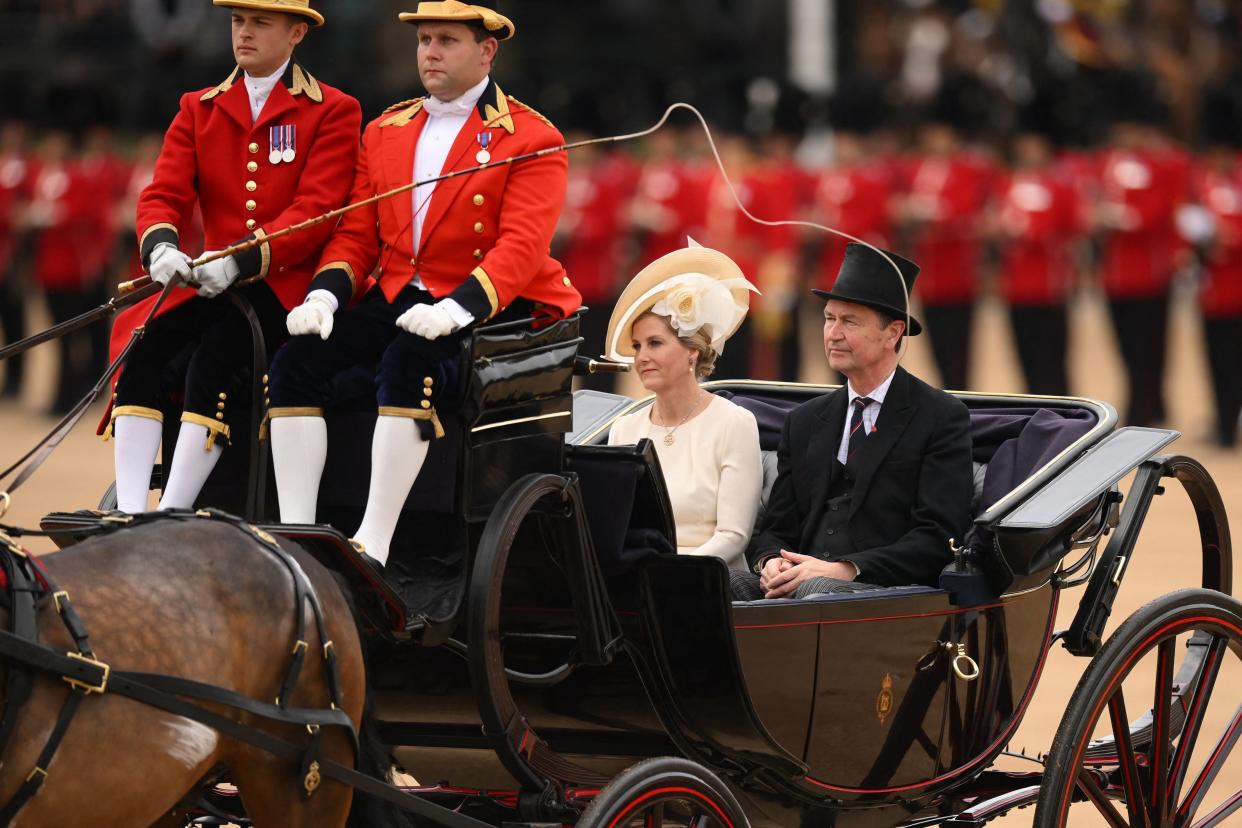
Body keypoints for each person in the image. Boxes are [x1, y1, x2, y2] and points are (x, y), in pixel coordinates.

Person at [266, 1, 581, 573]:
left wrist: (457, 309)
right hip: (398, 293)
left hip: (490, 302)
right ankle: (297, 535)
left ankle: (374, 542)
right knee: (295, 362)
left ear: (487, 52)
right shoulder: (386, 129)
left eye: (446, 41)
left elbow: (521, 247)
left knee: (410, 363)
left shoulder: (532, 136)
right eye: (424, 40)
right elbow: (357, 234)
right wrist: (325, 294)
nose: (430, 52)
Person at [100, 0, 361, 514]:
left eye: (260, 23)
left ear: (297, 34)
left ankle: (171, 512)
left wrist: (240, 260)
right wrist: (162, 247)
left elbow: (318, 210)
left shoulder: (333, 109)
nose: (244, 33)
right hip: (211, 282)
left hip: (288, 288)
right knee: (144, 351)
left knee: (213, 362)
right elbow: (163, 195)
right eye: (238, 22)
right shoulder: (199, 106)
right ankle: (129, 514)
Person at [731, 243, 973, 600]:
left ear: (893, 333)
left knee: (818, 590)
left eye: (850, 321)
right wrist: (769, 562)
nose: (833, 333)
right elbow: (776, 528)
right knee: (718, 583)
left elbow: (937, 537)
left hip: (886, 590)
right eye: (829, 318)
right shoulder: (804, 420)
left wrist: (845, 569)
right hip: (803, 583)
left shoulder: (940, 417)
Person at [605, 241, 761, 572]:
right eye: (637, 346)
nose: (642, 356)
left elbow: (733, 535)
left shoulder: (734, 422)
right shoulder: (624, 429)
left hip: (713, 582)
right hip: (640, 579)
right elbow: (616, 528)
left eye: (655, 343)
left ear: (692, 350)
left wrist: (674, 570)